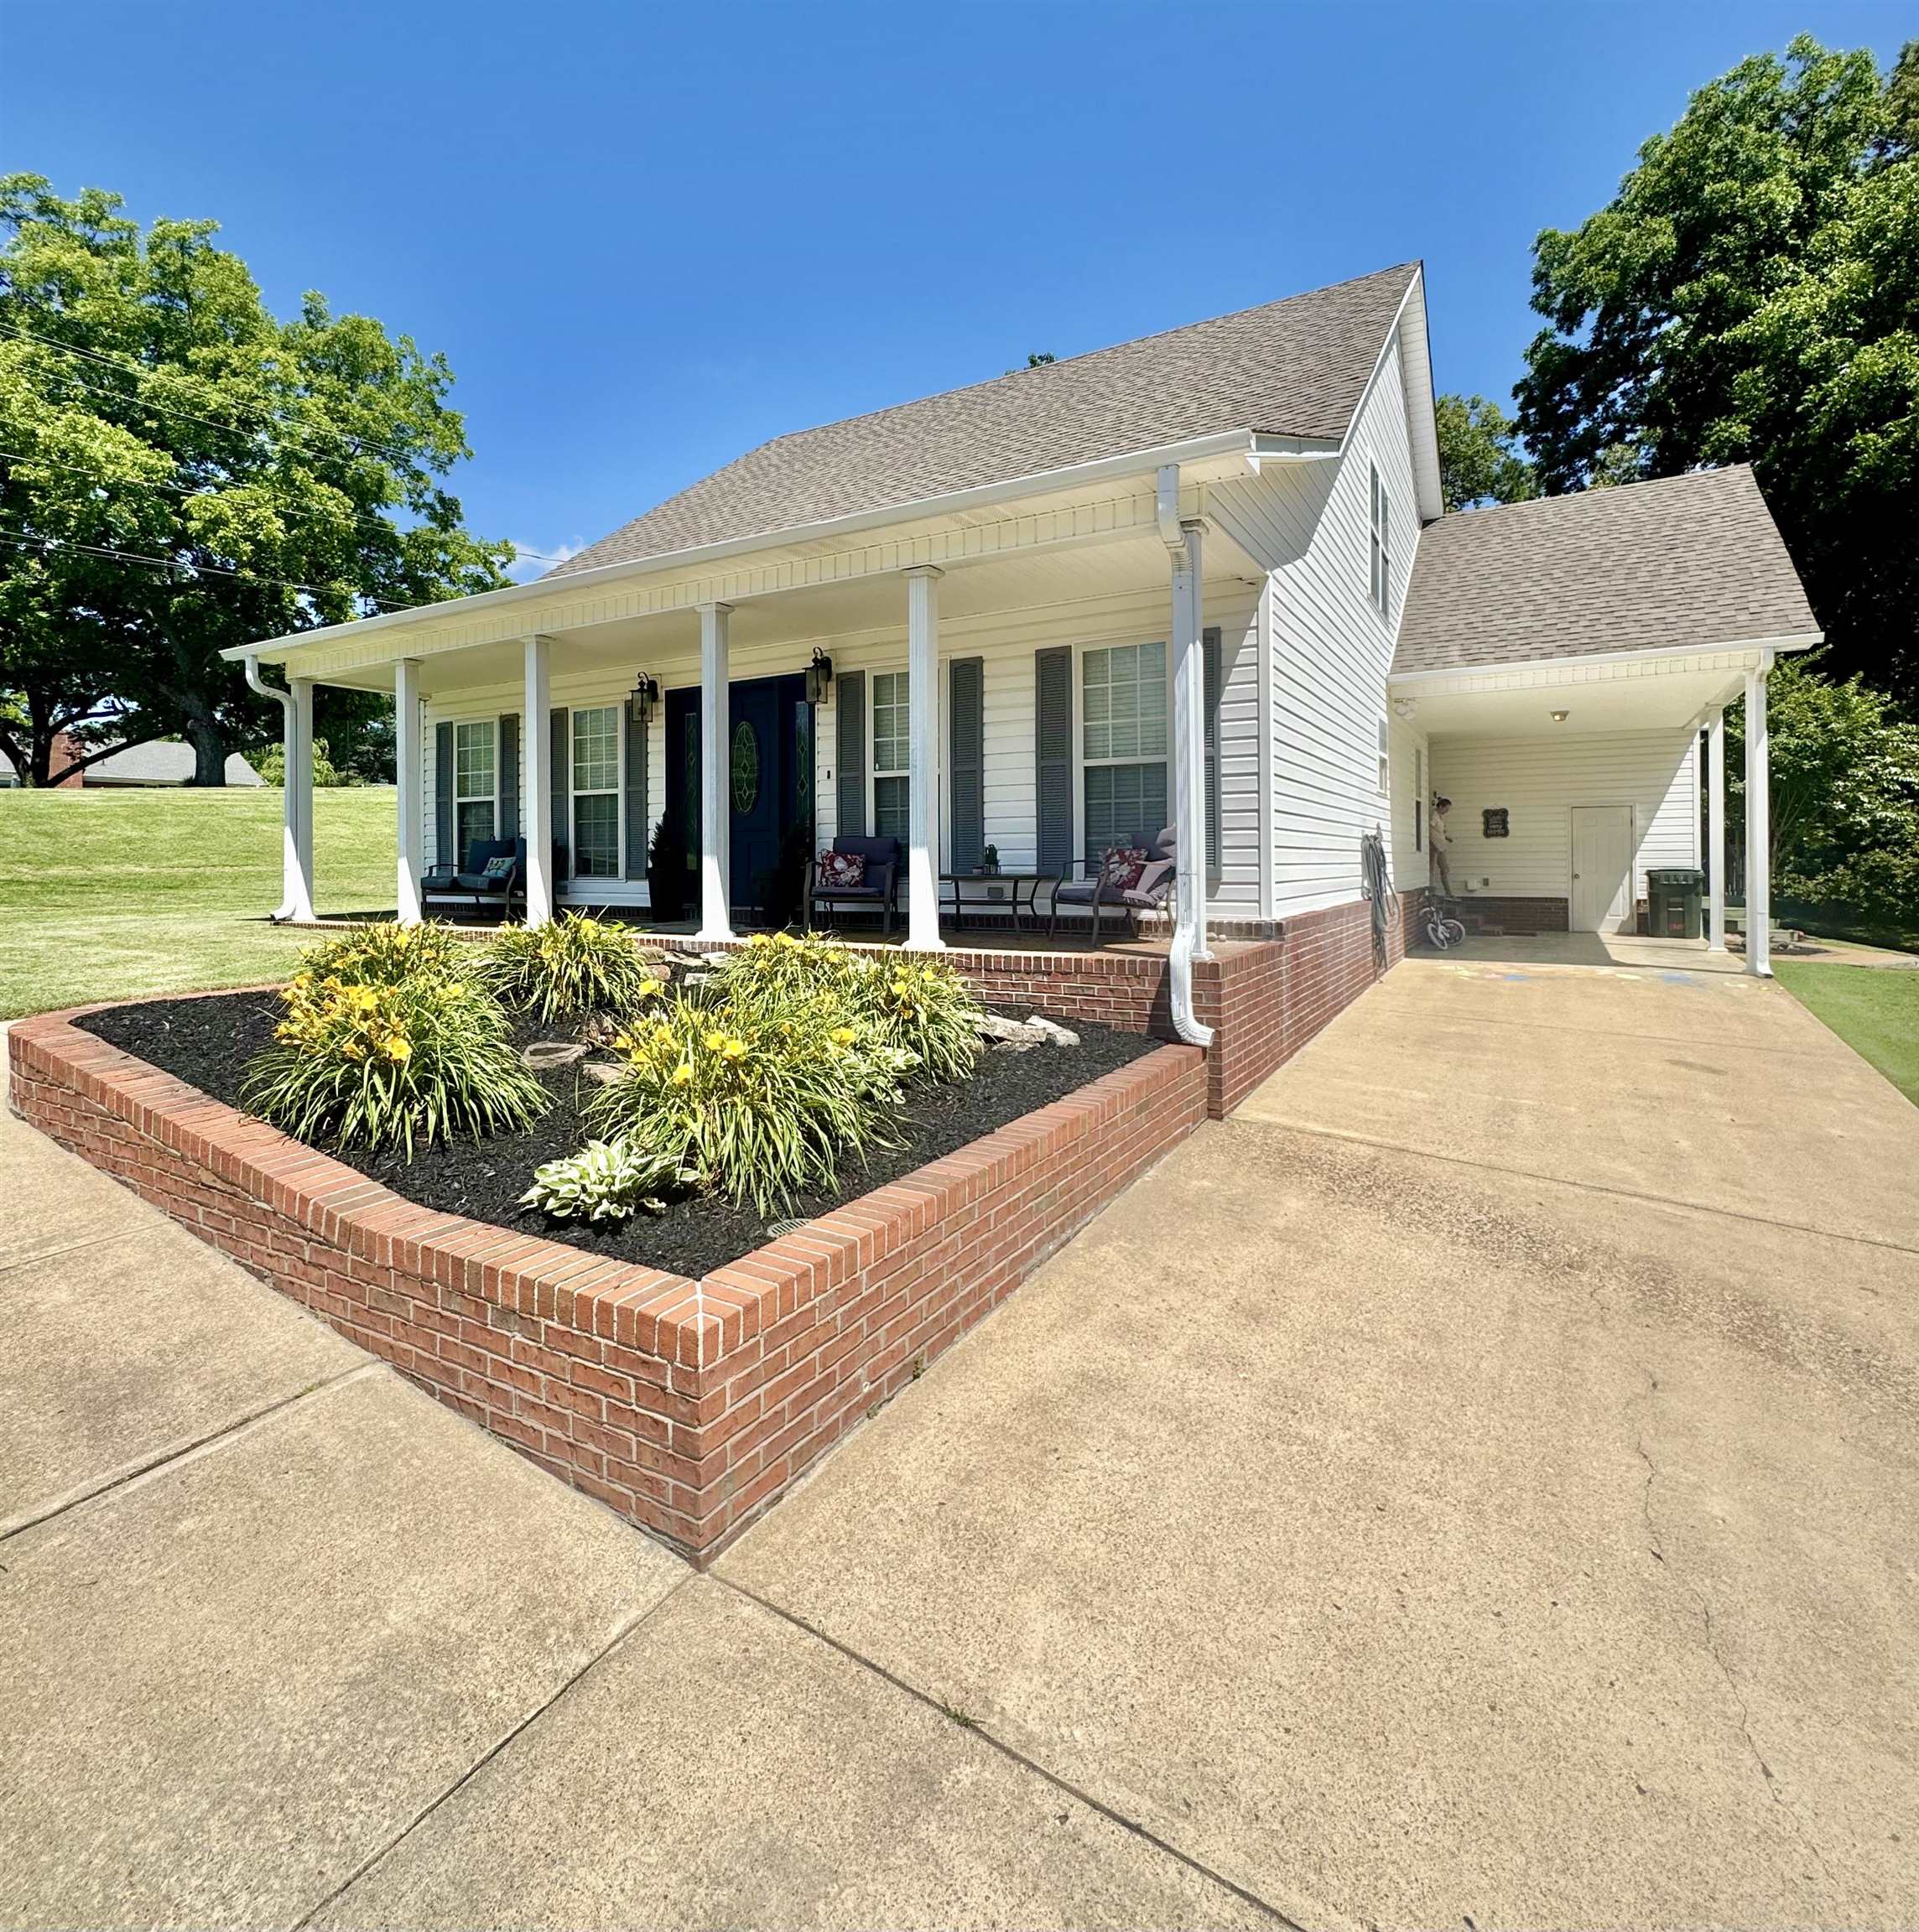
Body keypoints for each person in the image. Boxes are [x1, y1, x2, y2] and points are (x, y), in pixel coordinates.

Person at [1430, 793, 1454, 896]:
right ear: (1440, 806)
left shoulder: (1440, 817)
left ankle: (1448, 893)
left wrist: (1447, 837)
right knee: (1431, 869)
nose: (1447, 811)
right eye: (1446, 809)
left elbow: (1439, 831)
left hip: (1441, 846)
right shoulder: (1434, 816)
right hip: (1434, 847)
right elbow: (1429, 830)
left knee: (1445, 869)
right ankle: (1431, 892)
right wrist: (1432, 844)